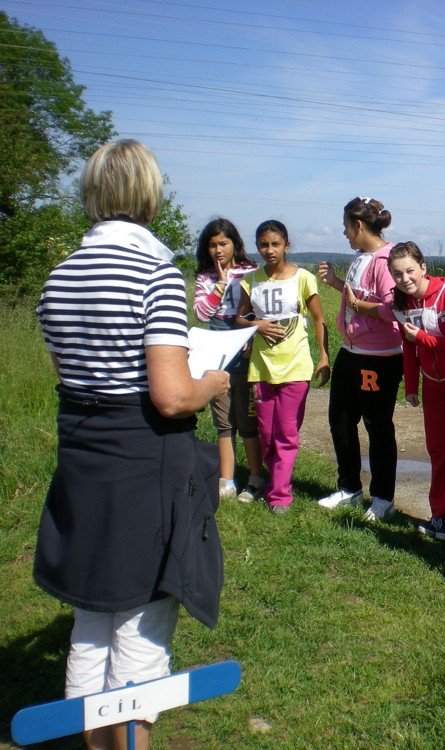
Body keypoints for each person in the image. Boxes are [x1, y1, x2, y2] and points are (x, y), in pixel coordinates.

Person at [34, 139, 228, 750]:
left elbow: (75, 374)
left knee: (90, 621)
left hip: (81, 456)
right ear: (150, 194)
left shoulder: (60, 275)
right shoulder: (156, 274)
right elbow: (171, 397)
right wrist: (212, 382)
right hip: (144, 460)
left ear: (92, 192)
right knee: (141, 629)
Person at [346, 242, 445, 541]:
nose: (405, 278)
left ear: (423, 267)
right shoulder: (402, 303)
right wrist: (411, 386)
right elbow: (409, 347)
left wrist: (423, 338)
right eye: (397, 274)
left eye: (410, 271)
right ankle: (441, 513)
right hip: (433, 381)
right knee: (439, 449)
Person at [317, 197, 402, 521]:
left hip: (379, 357)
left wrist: (355, 305)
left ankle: (383, 498)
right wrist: (336, 283)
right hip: (351, 351)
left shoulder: (386, 261)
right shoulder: (361, 257)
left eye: (346, 227)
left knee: (377, 426)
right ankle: (349, 489)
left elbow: (391, 309)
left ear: (358, 225)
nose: (344, 233)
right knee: (340, 419)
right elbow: (358, 297)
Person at [236, 220, 330, 515]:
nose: (270, 250)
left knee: (286, 433)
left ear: (286, 245)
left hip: (295, 366)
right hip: (261, 368)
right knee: (267, 433)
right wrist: (257, 325)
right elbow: (239, 318)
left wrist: (324, 356)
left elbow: (318, 318)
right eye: (264, 245)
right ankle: (274, 480)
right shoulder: (251, 281)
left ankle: (280, 494)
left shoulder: (303, 278)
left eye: (275, 244)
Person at [193, 218, 265, 503]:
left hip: (245, 353)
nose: (218, 250)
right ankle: (227, 480)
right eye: (212, 245)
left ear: (235, 243)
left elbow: (258, 311)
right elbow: (201, 314)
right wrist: (220, 286)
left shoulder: (251, 272)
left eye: (223, 243)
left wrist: (251, 340)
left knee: (247, 420)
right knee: (223, 422)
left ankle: (256, 478)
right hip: (217, 355)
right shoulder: (205, 278)